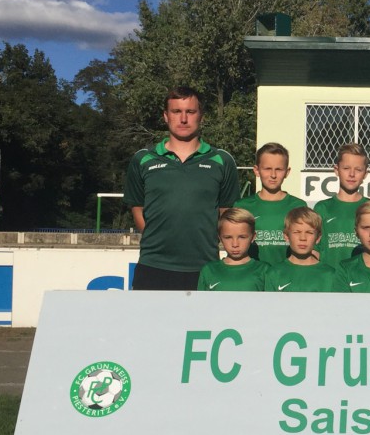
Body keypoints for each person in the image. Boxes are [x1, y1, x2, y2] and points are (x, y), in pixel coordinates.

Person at [124, 86, 239, 290]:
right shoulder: (143, 159)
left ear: (201, 116)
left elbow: (226, 213)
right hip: (153, 265)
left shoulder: (222, 160)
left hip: (205, 266)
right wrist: (155, 240)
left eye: (190, 112)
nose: (183, 119)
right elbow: (137, 208)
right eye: (176, 111)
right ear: (166, 116)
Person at [236, 143, 307, 267]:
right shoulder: (243, 206)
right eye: (267, 169)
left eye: (278, 169)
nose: (273, 175)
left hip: (286, 275)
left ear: (287, 172)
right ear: (256, 170)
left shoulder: (298, 206)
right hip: (253, 275)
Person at [313, 144, 369, 268]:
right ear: (336, 170)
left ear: (365, 173)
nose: (352, 174)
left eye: (358, 170)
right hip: (329, 278)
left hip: (362, 278)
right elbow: (314, 251)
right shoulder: (322, 208)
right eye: (346, 168)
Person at [263, 207, 338, 293]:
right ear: (286, 236)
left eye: (309, 233)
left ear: (318, 238)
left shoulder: (331, 274)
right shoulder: (274, 273)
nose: (303, 238)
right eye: (297, 232)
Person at [197, 208, 270, 291]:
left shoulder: (264, 270)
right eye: (228, 237)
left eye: (242, 237)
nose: (235, 244)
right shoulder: (209, 271)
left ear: (253, 237)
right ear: (220, 238)